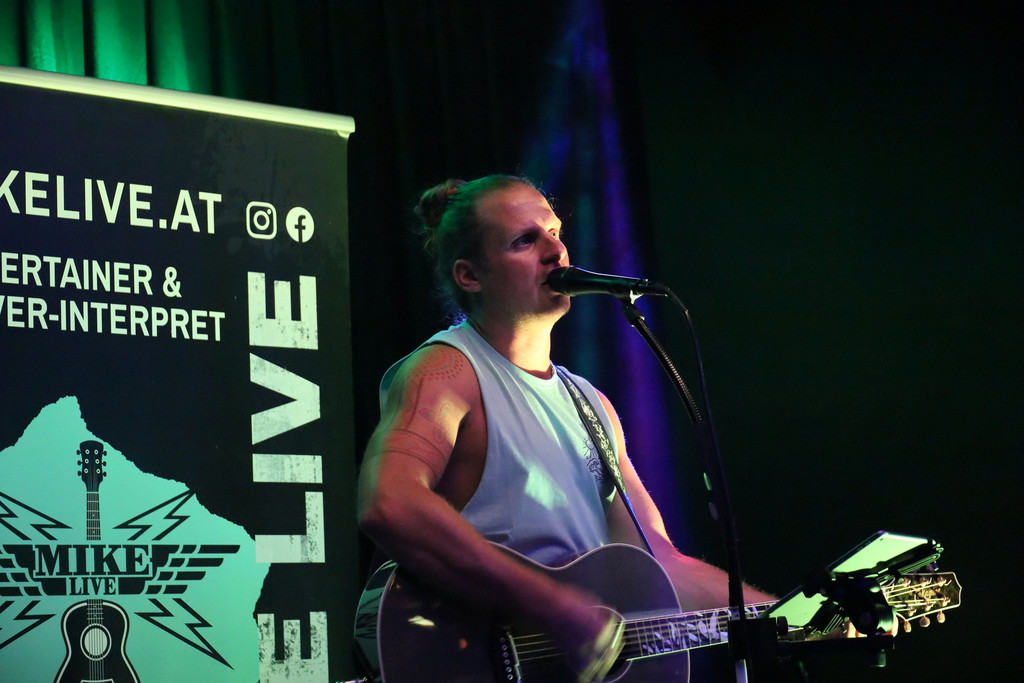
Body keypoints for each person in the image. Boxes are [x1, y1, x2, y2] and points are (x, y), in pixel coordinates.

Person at [357, 174, 775, 682]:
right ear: (469, 275)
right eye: (524, 240)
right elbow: (389, 503)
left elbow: (660, 561)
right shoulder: (446, 372)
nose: (556, 252)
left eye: (554, 232)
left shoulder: (591, 403)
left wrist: (791, 617)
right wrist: (555, 608)